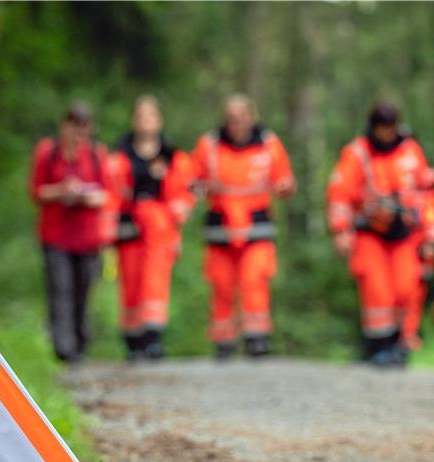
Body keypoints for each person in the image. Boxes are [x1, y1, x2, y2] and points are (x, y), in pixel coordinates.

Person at [326, 102, 434, 366]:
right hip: (370, 233)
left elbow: (426, 193)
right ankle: (378, 347)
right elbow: (340, 195)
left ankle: (400, 345)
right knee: (376, 289)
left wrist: (432, 233)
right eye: (382, 128)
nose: (386, 134)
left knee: (407, 287)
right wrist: (341, 231)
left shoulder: (410, 151)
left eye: (390, 127)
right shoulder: (357, 154)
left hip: (404, 233)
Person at [191, 94, 295, 359]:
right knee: (222, 284)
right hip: (221, 227)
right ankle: (224, 341)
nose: (234, 124)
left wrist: (285, 187)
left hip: (257, 226)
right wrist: (197, 188)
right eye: (230, 119)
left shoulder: (269, 145)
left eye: (239, 118)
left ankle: (257, 338)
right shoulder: (210, 145)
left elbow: (285, 180)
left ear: (251, 116)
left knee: (254, 280)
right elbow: (191, 179)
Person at [105, 96, 196, 361]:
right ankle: (133, 342)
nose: (146, 121)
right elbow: (112, 194)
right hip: (130, 230)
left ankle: (154, 339)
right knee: (131, 283)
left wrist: (174, 219)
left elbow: (186, 192)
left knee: (155, 284)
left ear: (159, 120)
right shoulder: (119, 156)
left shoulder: (173, 157)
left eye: (150, 115)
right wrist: (109, 228)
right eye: (141, 116)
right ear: (134, 120)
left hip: (160, 231)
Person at [29, 102, 110, 363]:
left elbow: (106, 193)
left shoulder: (97, 154)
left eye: (84, 128)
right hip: (56, 236)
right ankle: (64, 348)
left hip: (87, 238)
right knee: (60, 289)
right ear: (64, 126)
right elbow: (37, 191)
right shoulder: (47, 152)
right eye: (74, 127)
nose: (79, 134)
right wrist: (62, 190)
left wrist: (84, 195)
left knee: (83, 290)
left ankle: (80, 341)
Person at [402, 168, 434, 350]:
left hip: (421, 257)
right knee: (408, 295)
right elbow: (433, 229)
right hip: (414, 254)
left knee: (414, 296)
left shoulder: (429, 200)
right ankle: (405, 335)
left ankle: (408, 334)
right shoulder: (426, 199)